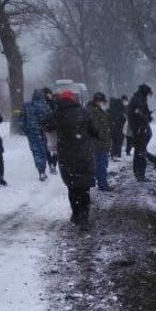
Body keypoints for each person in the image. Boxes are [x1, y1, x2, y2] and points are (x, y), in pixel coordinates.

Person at [44, 90, 99, 230]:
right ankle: (84, 218)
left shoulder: (58, 114)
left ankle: (76, 215)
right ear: (74, 100)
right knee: (84, 188)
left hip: (67, 157)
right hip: (84, 155)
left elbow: (45, 125)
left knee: (72, 187)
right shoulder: (85, 112)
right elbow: (95, 131)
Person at [21, 88, 54, 181]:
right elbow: (50, 117)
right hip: (42, 131)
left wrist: (24, 129)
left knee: (36, 151)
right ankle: (43, 169)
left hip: (31, 132)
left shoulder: (26, 105)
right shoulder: (44, 106)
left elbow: (22, 119)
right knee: (43, 150)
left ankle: (41, 171)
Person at [127, 84, 156, 181]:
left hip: (138, 129)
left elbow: (141, 113)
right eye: (148, 94)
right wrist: (147, 117)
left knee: (139, 152)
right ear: (145, 92)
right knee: (140, 152)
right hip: (139, 130)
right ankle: (141, 174)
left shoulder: (139, 99)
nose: (148, 96)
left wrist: (148, 115)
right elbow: (139, 114)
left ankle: (138, 173)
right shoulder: (139, 100)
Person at [87, 92, 112, 191]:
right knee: (101, 165)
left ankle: (101, 183)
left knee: (102, 164)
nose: (103, 104)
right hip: (98, 143)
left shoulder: (98, 111)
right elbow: (96, 128)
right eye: (102, 101)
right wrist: (101, 136)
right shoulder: (93, 112)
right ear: (98, 101)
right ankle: (103, 185)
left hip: (100, 143)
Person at [43, 88, 59, 174]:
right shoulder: (51, 103)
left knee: (52, 148)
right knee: (51, 148)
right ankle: (52, 164)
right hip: (50, 128)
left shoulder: (52, 102)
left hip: (49, 128)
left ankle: (52, 164)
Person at [108, 95, 128, 160]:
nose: (126, 102)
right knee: (118, 140)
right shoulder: (119, 107)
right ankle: (117, 155)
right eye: (125, 101)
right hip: (118, 126)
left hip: (114, 126)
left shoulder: (116, 106)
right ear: (122, 100)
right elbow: (120, 116)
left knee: (115, 141)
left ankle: (114, 154)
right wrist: (123, 117)